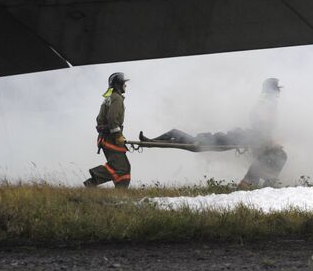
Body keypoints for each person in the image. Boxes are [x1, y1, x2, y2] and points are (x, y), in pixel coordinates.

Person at [139, 78, 287, 189]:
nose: (279, 93)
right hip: (213, 140)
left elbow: (260, 123)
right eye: (277, 90)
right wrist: (265, 137)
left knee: (274, 158)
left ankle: (263, 185)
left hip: (225, 139)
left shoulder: (266, 101)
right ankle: (150, 141)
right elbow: (260, 121)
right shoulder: (267, 101)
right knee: (181, 137)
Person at [84, 72, 131, 188]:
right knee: (121, 167)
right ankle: (91, 182)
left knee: (124, 168)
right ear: (118, 84)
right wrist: (118, 135)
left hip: (106, 136)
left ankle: (121, 194)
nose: (125, 85)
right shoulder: (117, 98)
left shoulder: (109, 98)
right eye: (124, 83)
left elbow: (99, 118)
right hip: (111, 138)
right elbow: (112, 118)